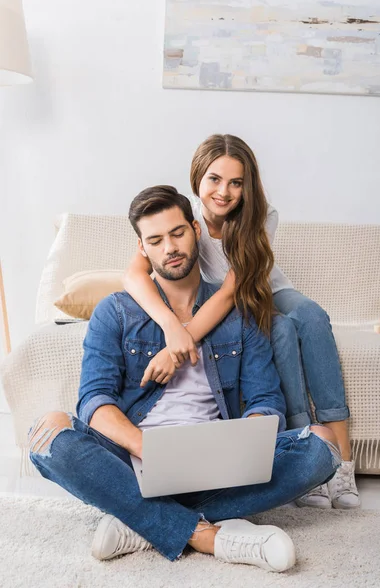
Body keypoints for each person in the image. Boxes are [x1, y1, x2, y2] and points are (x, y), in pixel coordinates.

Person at [29, 186, 341, 572]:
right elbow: (94, 401)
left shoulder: (238, 314)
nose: (170, 247)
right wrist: (149, 450)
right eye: (156, 240)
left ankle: (138, 520)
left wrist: (244, 445)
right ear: (142, 248)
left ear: (195, 229)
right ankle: (203, 533)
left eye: (177, 233)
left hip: (215, 458)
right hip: (135, 457)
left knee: (323, 446)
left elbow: (265, 400)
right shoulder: (116, 311)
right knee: (48, 434)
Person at [124, 134, 360, 510]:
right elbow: (133, 276)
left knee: (311, 315)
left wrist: (181, 343)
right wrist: (172, 330)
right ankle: (306, 449)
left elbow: (232, 292)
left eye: (236, 182)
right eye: (215, 179)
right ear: (197, 177)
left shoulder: (260, 216)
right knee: (280, 331)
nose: (225, 191)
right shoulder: (185, 222)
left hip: (263, 290)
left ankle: (343, 459)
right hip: (231, 306)